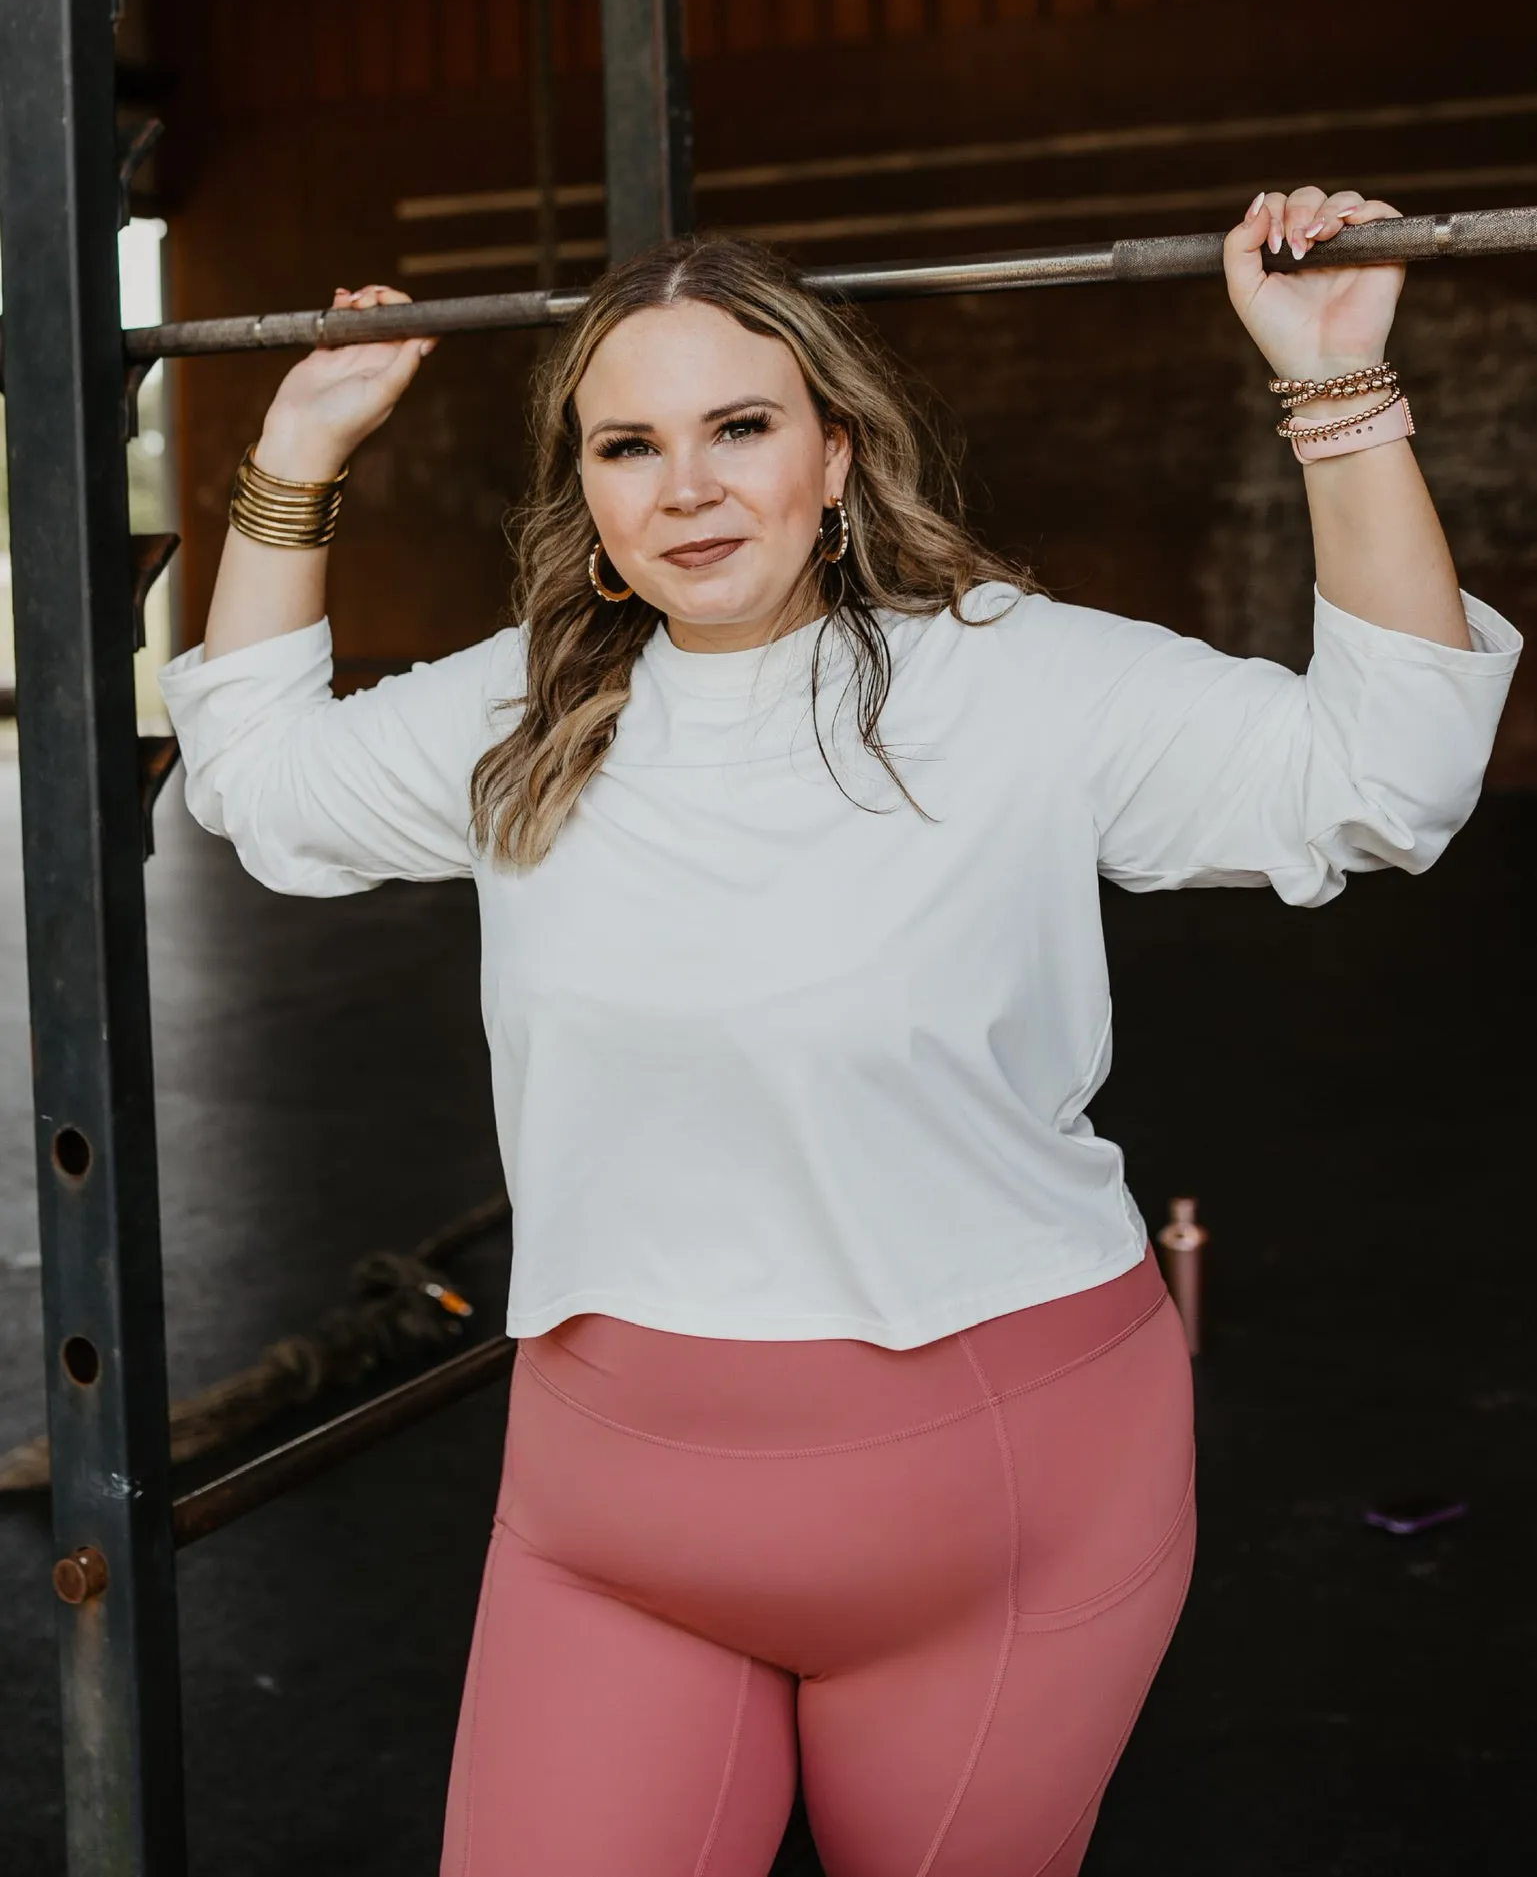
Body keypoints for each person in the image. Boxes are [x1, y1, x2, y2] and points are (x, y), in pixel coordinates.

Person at [161, 187, 1519, 1877]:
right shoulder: (529, 712)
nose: (689, 486)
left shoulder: (1011, 682)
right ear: (586, 498)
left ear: (838, 459)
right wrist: (297, 455)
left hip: (1000, 1507)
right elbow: (263, 790)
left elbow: (1384, 779)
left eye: (742, 427)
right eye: (628, 447)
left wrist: (1339, 393)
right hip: (610, 1521)